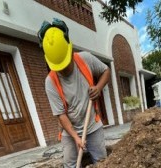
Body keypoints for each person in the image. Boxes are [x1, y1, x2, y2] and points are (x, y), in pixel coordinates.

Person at [38, 18, 111, 168]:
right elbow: (61, 115)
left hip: (92, 124)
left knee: (102, 162)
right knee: (69, 164)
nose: (63, 70)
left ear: (70, 50)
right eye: (59, 67)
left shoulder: (86, 59)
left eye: (65, 64)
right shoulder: (50, 82)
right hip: (69, 131)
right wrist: (76, 138)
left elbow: (106, 71)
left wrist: (98, 87)